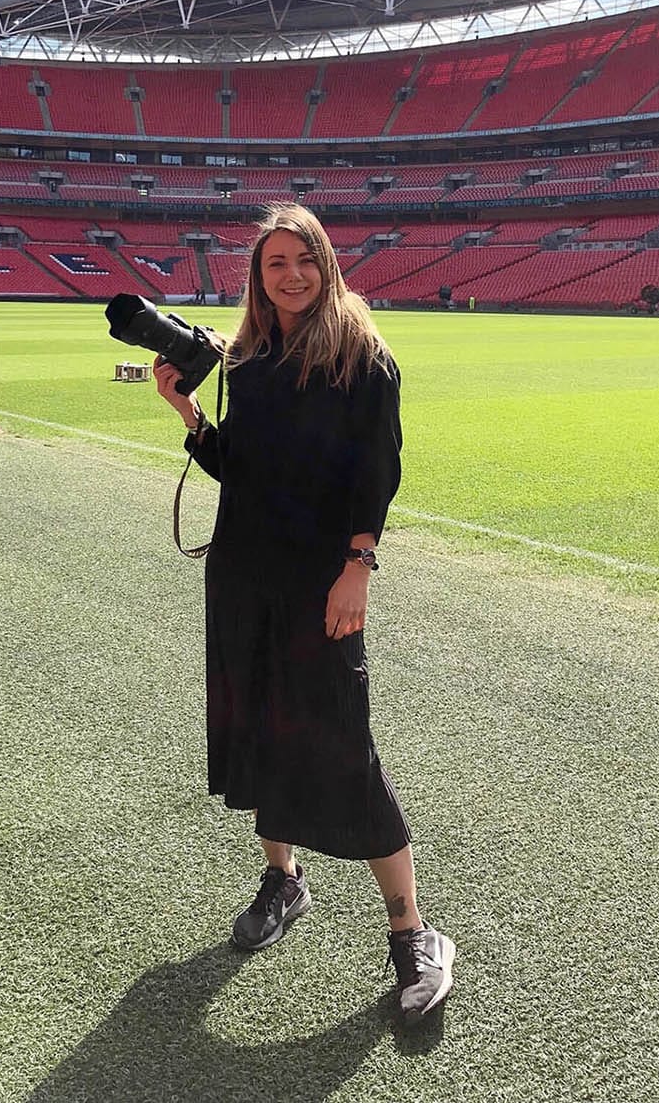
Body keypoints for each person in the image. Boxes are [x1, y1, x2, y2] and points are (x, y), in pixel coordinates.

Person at [153, 203, 455, 1024]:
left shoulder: (362, 357)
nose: (288, 275)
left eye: (303, 260)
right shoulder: (247, 358)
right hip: (243, 573)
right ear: (256, 276)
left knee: (340, 744)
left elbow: (375, 473)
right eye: (273, 263)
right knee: (256, 725)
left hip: (322, 579)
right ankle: (283, 881)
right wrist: (189, 417)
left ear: (326, 265)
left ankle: (413, 933)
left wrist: (357, 566)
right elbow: (242, 472)